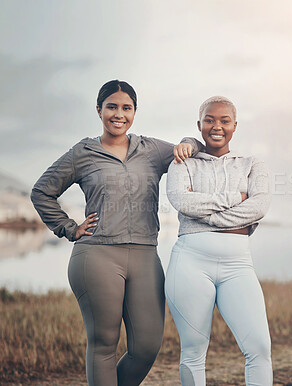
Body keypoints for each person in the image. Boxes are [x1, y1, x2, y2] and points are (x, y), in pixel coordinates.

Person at [30, 80, 203, 386]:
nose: (118, 114)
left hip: (145, 256)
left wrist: (189, 140)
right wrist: (70, 228)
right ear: (99, 110)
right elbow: (42, 192)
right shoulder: (82, 153)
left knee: (147, 346)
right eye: (111, 107)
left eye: (126, 108)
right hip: (97, 255)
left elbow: (193, 148)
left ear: (135, 112)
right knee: (103, 344)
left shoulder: (151, 150)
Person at [165, 96, 273, 385]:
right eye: (210, 119)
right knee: (193, 351)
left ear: (235, 126)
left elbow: (259, 206)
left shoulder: (252, 165)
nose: (217, 126)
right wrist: (235, 201)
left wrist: (209, 219)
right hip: (189, 263)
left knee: (259, 348)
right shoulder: (182, 162)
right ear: (199, 124)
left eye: (224, 120)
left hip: (238, 266)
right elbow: (182, 202)